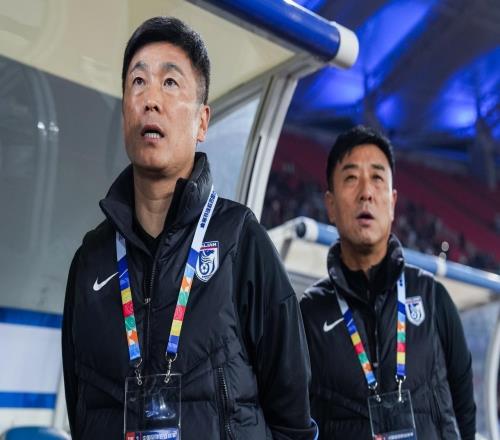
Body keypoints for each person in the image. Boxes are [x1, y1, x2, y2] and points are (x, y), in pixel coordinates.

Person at [62, 16, 316, 440]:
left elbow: (292, 419)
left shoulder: (240, 240)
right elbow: (81, 410)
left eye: (170, 83)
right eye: (138, 82)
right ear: (124, 113)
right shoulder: (91, 260)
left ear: (202, 121)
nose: (150, 99)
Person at [300, 125, 476, 439]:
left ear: (393, 203)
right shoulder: (309, 314)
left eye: (377, 178)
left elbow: (464, 407)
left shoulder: (432, 297)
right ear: (330, 205)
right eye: (351, 178)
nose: (366, 192)